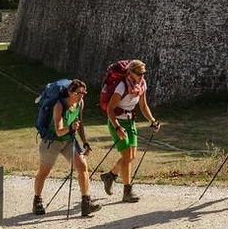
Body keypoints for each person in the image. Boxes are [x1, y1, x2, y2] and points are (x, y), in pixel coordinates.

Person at [32, 79, 98, 217]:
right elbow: (59, 130)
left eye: (83, 93)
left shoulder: (80, 103)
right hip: (51, 142)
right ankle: (37, 200)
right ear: (69, 92)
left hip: (68, 141)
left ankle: (86, 203)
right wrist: (71, 127)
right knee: (44, 172)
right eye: (78, 93)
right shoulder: (59, 105)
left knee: (82, 167)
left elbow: (80, 123)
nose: (81, 95)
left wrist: (85, 142)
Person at [99, 60, 161, 202]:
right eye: (139, 73)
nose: (141, 76)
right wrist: (117, 127)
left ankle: (110, 176)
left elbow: (143, 105)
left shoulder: (142, 84)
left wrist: (152, 120)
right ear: (130, 72)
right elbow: (110, 109)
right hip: (117, 122)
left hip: (130, 121)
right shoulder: (121, 86)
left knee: (131, 156)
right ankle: (127, 191)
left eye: (143, 73)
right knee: (127, 155)